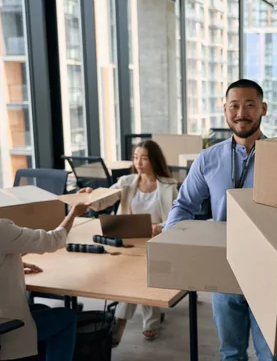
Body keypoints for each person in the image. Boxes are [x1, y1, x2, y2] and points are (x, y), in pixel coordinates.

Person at [164, 79, 277, 361]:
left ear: (263, 109)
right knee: (230, 352)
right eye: (234, 105)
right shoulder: (208, 159)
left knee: (272, 354)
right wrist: (169, 244)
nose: (242, 112)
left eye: (250, 105)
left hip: (270, 270)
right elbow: (184, 205)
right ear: (225, 110)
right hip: (224, 267)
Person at [79, 140, 178, 345]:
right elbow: (103, 201)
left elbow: (177, 216)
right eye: (135, 157)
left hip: (156, 241)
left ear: (154, 160)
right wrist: (91, 196)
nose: (138, 162)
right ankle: (150, 320)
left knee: (141, 277)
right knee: (138, 279)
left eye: (144, 158)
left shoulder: (168, 185)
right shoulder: (126, 182)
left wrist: (159, 226)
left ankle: (120, 323)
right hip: (128, 240)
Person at [0, 202, 88, 361]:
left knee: (41, 308)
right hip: (5, 330)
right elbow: (52, 240)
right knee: (67, 317)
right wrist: (73, 212)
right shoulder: (2, 229)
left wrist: (12, 264)